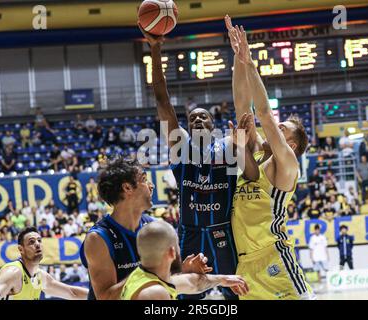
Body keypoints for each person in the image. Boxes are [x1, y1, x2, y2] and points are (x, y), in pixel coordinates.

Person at [140, 23, 251, 300]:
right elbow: (162, 99)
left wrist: (241, 60)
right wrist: (155, 50)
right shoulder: (181, 149)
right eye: (192, 118)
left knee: (236, 295)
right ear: (187, 128)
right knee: (188, 298)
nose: (198, 119)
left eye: (203, 116)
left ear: (213, 124)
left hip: (222, 233)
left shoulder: (228, 146)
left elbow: (243, 109)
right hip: (189, 235)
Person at [226, 17, 314, 300]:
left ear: (289, 143)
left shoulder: (287, 165)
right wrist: (238, 59)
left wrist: (250, 63)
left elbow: (263, 113)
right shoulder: (257, 157)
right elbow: (243, 107)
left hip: (275, 257)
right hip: (245, 265)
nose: (275, 129)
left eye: (282, 128)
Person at [80, 158, 211, 300]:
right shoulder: (98, 238)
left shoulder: (155, 226)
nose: (151, 185)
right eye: (144, 179)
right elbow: (106, 297)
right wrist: (148, 271)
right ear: (127, 188)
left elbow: (166, 279)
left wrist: (183, 270)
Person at [121, 220, 248, 300]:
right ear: (171, 252)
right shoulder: (154, 294)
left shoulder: (142, 277)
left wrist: (222, 280)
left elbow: (193, 283)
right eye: (177, 246)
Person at [0, 227, 88, 300]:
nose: (37, 244)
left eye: (39, 240)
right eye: (31, 242)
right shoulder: (14, 272)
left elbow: (71, 292)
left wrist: (98, 295)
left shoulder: (40, 276)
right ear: (21, 249)